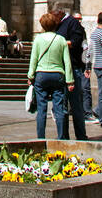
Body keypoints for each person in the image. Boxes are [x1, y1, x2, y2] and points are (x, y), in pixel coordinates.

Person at [27, 11, 74, 139]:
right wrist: (70, 81)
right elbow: (67, 61)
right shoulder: (61, 40)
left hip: (41, 75)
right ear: (55, 24)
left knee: (41, 109)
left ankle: (40, 138)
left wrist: (30, 76)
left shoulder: (38, 40)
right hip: (57, 75)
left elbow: (34, 59)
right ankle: (61, 137)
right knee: (59, 108)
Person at [53, 7, 97, 139]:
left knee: (76, 104)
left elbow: (78, 42)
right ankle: (63, 136)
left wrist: (59, 43)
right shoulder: (59, 24)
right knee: (62, 105)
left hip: (74, 68)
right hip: (61, 69)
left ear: (59, 14)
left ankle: (81, 135)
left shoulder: (72, 23)